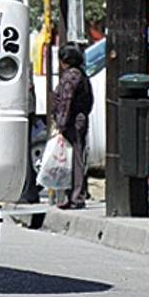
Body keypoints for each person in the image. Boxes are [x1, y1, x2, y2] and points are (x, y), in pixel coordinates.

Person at [52, 43, 94, 209]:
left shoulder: (71, 77)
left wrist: (61, 124)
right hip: (79, 120)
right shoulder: (81, 74)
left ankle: (75, 196)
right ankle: (73, 195)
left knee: (74, 158)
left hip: (72, 122)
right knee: (74, 157)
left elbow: (65, 102)